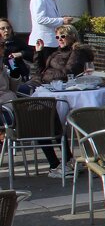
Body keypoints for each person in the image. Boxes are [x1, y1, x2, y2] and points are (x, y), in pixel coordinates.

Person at [22, 24, 94, 176]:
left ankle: (60, 163)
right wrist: (39, 53)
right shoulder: (57, 53)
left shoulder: (77, 51)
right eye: (57, 37)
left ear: (72, 36)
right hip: (44, 87)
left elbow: (68, 73)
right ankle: (61, 162)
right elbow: (40, 70)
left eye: (63, 36)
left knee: (43, 120)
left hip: (57, 91)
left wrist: (46, 76)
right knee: (41, 119)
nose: (59, 40)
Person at [30, 0, 74, 65]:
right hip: (44, 42)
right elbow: (40, 19)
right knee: (45, 68)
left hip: (51, 41)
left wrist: (62, 19)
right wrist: (61, 20)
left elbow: (51, 16)